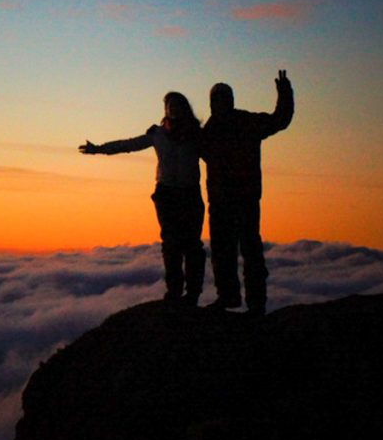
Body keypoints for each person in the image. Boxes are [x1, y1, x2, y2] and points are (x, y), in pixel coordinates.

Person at [80, 92, 206, 304]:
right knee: (171, 244)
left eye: (177, 105)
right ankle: (174, 292)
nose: (173, 109)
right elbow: (129, 144)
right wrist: (99, 149)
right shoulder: (158, 134)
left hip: (189, 193)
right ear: (165, 109)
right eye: (169, 105)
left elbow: (219, 153)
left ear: (185, 108)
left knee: (192, 245)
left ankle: (192, 293)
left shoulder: (197, 134)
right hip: (166, 194)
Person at [201, 70, 293, 315]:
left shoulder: (244, 123)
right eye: (216, 99)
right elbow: (184, 142)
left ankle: (254, 303)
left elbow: (279, 119)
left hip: (243, 199)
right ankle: (230, 298)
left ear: (230, 100)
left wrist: (285, 93)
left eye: (222, 99)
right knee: (224, 253)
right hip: (223, 200)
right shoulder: (209, 131)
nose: (219, 103)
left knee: (248, 251)